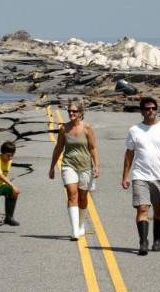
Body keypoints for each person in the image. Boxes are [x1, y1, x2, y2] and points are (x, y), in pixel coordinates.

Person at [122, 97, 160, 255]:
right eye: (147, 109)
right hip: (140, 175)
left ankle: (157, 239)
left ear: (157, 110)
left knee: (159, 209)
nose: (151, 111)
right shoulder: (135, 130)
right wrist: (125, 175)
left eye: (153, 108)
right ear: (142, 111)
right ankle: (143, 241)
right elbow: (129, 154)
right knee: (142, 208)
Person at [49, 97, 100, 240]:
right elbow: (58, 149)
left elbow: (93, 148)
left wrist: (96, 166)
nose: (71, 114)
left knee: (83, 197)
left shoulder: (87, 128)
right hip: (69, 165)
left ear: (81, 113)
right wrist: (52, 167)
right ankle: (74, 230)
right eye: (69, 111)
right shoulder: (64, 128)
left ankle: (81, 224)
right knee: (72, 193)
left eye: (74, 112)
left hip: (85, 167)